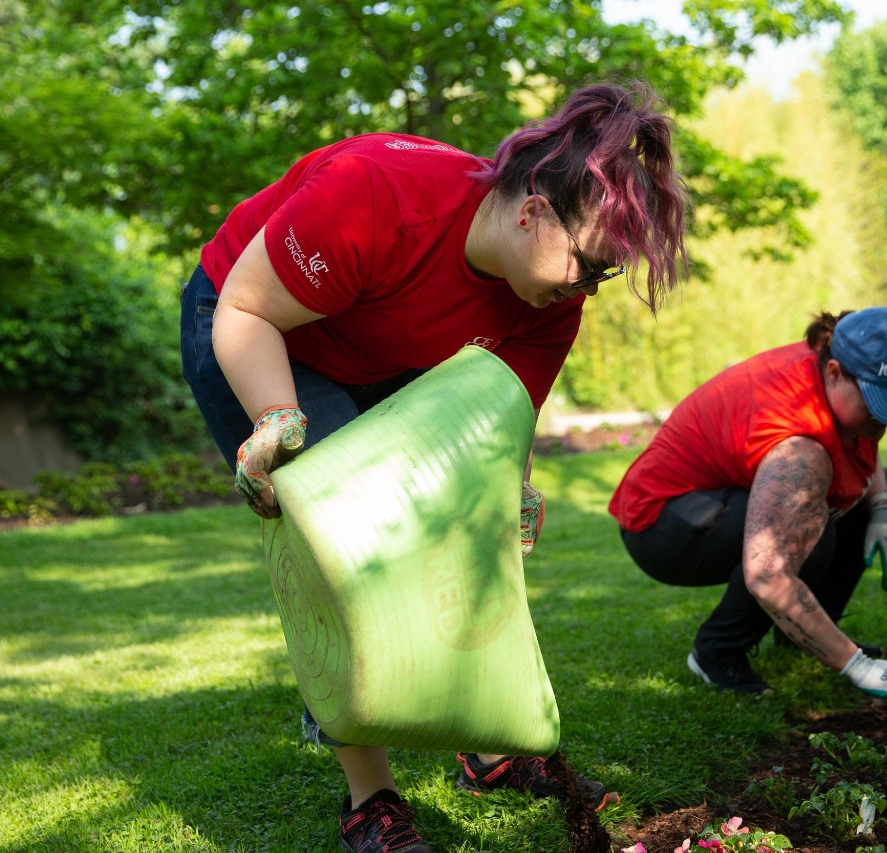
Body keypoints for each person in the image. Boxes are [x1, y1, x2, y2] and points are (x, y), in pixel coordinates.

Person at [180, 81, 690, 853]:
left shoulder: (547, 299)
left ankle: (486, 753)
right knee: (341, 549)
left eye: (602, 276)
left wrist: (508, 494)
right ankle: (371, 801)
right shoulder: (378, 196)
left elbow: (500, 413)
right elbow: (247, 310)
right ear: (532, 212)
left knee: (455, 533)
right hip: (255, 324)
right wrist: (278, 426)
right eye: (588, 265)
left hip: (382, 349)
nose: (587, 287)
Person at [608, 307, 887, 705]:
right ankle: (716, 652)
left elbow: (863, 434)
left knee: (873, 497)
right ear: (834, 373)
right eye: (876, 403)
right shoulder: (798, 444)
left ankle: (804, 637)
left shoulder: (835, 362)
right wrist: (858, 666)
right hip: (663, 522)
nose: (885, 420)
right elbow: (768, 574)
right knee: (811, 530)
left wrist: (882, 506)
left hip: (717, 498)